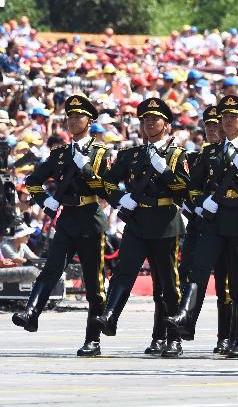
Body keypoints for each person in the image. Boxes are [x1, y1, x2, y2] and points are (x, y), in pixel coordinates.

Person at [166, 95, 238, 358]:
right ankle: (185, 315)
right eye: (225, 117)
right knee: (198, 271)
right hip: (213, 219)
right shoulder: (210, 152)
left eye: (233, 117)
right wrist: (200, 202)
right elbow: (194, 186)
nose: (228, 121)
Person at [89, 98, 190, 358]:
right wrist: (119, 199)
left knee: (167, 283)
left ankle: (172, 338)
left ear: (166, 125)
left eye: (155, 119)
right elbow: (106, 183)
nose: (149, 122)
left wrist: (165, 171)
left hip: (165, 222)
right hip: (136, 222)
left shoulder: (177, 155)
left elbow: (184, 188)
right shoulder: (130, 155)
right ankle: (109, 316)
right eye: (145, 119)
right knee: (123, 272)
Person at [14, 95, 112, 356]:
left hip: (91, 217)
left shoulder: (102, 153)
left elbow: (107, 189)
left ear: (90, 121)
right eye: (69, 116)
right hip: (67, 218)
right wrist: (46, 201)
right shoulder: (59, 154)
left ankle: (93, 340)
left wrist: (88, 170)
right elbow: (33, 181)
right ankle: (31, 313)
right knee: (51, 268)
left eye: (78, 116)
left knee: (94, 283)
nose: (72, 121)